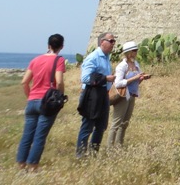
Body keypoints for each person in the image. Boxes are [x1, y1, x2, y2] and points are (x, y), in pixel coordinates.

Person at [16, 33, 66, 171]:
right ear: (61, 46)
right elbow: (59, 81)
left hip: (32, 100)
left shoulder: (35, 60)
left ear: (48, 45)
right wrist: (60, 97)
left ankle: (21, 165)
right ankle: (33, 166)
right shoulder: (59, 60)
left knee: (27, 135)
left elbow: (24, 82)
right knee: (40, 136)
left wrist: (30, 96)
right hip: (47, 102)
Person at [76, 32, 116, 157]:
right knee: (87, 126)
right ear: (102, 42)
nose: (113, 44)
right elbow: (85, 78)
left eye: (114, 41)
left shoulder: (106, 57)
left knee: (101, 126)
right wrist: (105, 78)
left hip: (103, 94)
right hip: (92, 95)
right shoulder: (93, 57)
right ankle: (81, 156)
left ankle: (93, 154)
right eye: (111, 41)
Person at [108, 41, 149, 147]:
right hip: (122, 96)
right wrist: (135, 78)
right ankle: (110, 148)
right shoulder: (122, 66)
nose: (136, 52)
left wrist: (141, 78)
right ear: (129, 52)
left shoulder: (136, 64)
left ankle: (119, 146)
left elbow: (137, 81)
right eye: (134, 50)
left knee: (125, 123)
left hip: (132, 95)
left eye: (136, 50)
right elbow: (118, 83)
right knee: (116, 122)